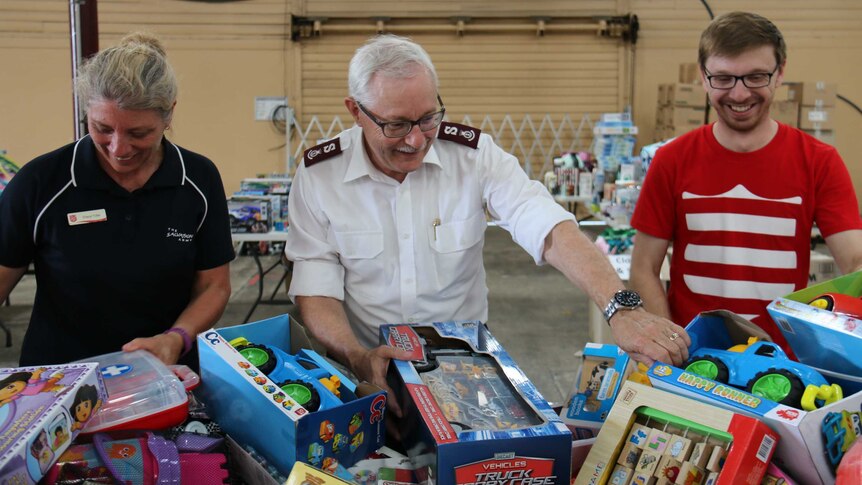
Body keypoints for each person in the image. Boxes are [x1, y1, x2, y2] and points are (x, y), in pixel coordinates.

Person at [285, 34, 691, 407]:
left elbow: (548, 227)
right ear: (356, 111)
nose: (415, 140)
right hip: (364, 368)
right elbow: (315, 287)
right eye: (395, 125)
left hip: (463, 368)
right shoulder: (321, 174)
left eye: (428, 118)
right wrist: (358, 358)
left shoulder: (473, 156)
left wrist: (619, 307)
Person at [630, 12, 862, 352]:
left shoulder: (818, 161)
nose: (739, 95)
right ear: (703, 77)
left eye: (755, 77)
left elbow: (855, 262)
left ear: (780, 72)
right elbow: (643, 269)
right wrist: (668, 349)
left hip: (784, 365)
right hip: (694, 362)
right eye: (723, 78)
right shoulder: (672, 161)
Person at [0, 32, 234, 367]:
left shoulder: (197, 179)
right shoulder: (42, 182)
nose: (118, 149)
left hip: (165, 375)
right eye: (102, 128)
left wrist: (176, 338)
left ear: (169, 115)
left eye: (139, 133)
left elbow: (214, 285)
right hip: (60, 381)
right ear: (87, 112)